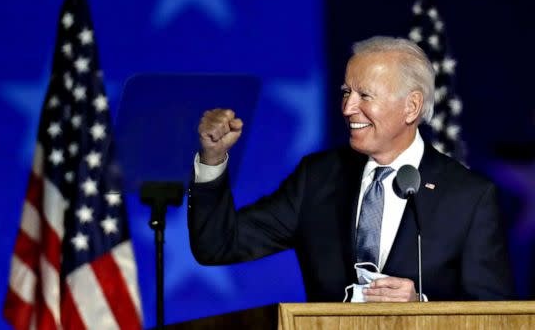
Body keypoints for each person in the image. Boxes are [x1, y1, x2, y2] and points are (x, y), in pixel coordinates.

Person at [188, 36, 514, 302]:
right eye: (346, 92)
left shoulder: (469, 197)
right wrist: (213, 159)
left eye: (364, 95)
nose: (347, 108)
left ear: (411, 106)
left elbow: (496, 315)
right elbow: (218, 245)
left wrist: (422, 307)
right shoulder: (317, 178)